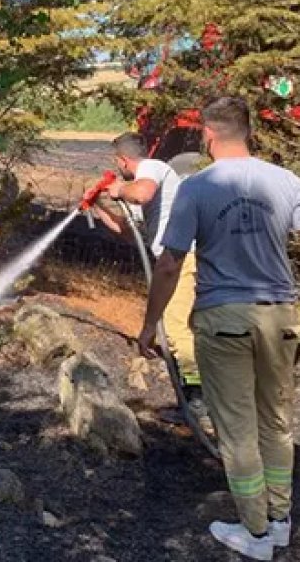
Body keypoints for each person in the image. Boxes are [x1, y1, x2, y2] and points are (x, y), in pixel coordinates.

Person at [137, 97, 300, 561]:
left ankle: (255, 534)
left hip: (222, 319)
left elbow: (170, 263)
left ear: (209, 135)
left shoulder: (197, 187)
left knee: (237, 432)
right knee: (275, 423)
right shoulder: (287, 182)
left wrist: (151, 324)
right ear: (248, 132)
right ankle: (280, 519)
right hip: (279, 317)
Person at [88, 132, 211, 431]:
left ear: (122, 160)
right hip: (175, 260)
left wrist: (118, 188)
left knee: (177, 329)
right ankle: (199, 399)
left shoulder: (152, 168)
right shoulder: (145, 181)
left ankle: (199, 404)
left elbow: (140, 194)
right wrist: (98, 207)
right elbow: (128, 230)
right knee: (182, 328)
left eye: (117, 165)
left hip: (183, 260)